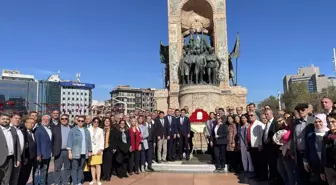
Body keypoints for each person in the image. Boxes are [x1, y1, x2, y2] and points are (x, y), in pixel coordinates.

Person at [67, 115, 92, 185]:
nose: (80, 122)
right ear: (77, 121)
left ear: (84, 122)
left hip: (84, 152)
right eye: (79, 120)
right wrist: (69, 152)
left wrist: (90, 150)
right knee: (74, 168)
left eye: (82, 121)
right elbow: (69, 141)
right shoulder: (72, 130)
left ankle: (79, 182)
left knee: (81, 168)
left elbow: (89, 141)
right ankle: (74, 182)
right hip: (75, 152)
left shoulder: (86, 130)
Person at [0, 113, 21, 185]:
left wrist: (18, 159)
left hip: (10, 159)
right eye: (3, 119)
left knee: (7, 179)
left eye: (7, 119)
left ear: (10, 120)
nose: (5, 120)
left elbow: (17, 145)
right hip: (0, 159)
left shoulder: (12, 129)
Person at [52, 114, 71, 185]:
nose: (64, 120)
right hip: (58, 151)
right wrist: (52, 151)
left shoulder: (71, 128)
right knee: (57, 168)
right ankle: (57, 182)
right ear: (60, 120)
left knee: (67, 167)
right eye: (62, 119)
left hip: (68, 151)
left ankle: (66, 182)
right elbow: (52, 140)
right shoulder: (56, 128)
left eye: (66, 118)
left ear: (68, 120)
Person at [34, 115, 53, 185]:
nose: (46, 120)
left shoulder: (50, 129)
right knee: (37, 170)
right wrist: (38, 154)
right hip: (40, 154)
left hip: (47, 154)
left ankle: (42, 183)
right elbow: (37, 143)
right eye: (44, 119)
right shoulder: (38, 129)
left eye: (47, 119)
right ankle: (36, 183)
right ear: (41, 120)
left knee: (44, 170)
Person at [18, 118, 37, 185]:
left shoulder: (33, 133)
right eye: (30, 122)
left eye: (33, 123)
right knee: (21, 177)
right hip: (25, 159)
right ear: (25, 123)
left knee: (26, 176)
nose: (31, 124)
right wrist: (24, 158)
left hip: (31, 159)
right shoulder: (22, 132)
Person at [88, 117, 104, 185]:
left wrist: (100, 149)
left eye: (97, 122)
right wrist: (88, 150)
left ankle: (98, 180)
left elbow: (102, 140)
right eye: (95, 122)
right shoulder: (88, 129)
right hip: (91, 150)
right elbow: (87, 141)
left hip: (98, 150)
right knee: (92, 166)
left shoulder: (100, 130)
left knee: (98, 165)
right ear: (92, 122)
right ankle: (93, 179)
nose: (96, 123)